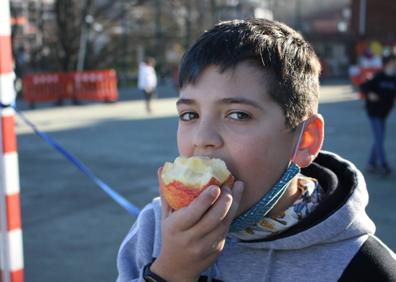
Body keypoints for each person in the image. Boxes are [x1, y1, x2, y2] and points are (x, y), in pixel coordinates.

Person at [117, 19, 396, 282]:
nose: (203, 138)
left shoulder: (363, 267)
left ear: (306, 140)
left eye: (238, 115)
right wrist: (169, 273)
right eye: (190, 115)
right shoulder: (156, 230)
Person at [360, 54, 396, 176]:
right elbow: (364, 86)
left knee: (378, 139)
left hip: (384, 114)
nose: (394, 66)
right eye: (392, 64)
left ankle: (371, 163)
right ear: (386, 65)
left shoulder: (394, 79)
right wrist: (369, 93)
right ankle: (383, 165)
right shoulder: (378, 77)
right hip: (374, 113)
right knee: (379, 139)